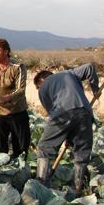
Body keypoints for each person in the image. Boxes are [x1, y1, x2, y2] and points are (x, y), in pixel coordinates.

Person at [33, 63, 100, 195]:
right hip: (85, 112)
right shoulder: (69, 73)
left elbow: (54, 116)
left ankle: (40, 185)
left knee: (45, 148)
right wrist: (95, 89)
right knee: (81, 153)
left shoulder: (42, 89)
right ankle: (77, 190)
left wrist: (65, 135)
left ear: (40, 83)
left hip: (61, 113)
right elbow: (89, 67)